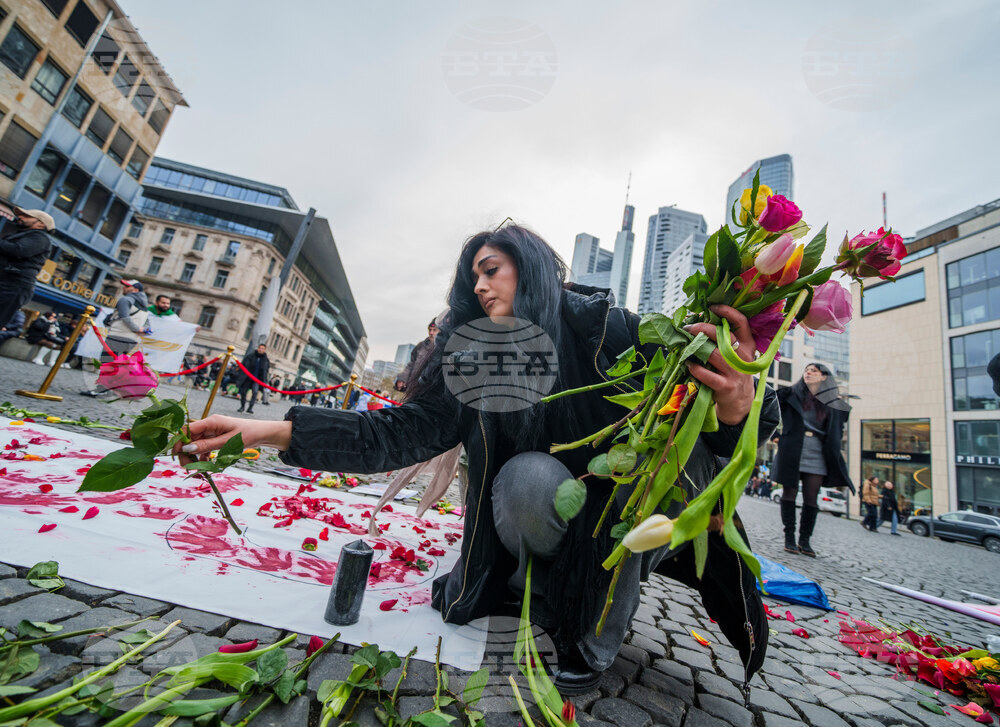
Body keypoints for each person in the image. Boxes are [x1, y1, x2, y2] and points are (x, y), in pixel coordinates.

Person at [175, 224, 776, 693]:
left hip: (630, 513)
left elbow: (738, 420)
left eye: (492, 270)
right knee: (524, 479)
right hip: (538, 502)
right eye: (474, 279)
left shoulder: (608, 328)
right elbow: (400, 433)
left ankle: (593, 636)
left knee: (635, 482)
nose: (481, 287)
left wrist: (736, 400)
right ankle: (538, 588)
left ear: (532, 268)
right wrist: (261, 432)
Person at [773, 362, 853, 557]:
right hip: (792, 447)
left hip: (818, 450)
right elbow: (767, 409)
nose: (808, 372)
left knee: (811, 498)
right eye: (807, 370)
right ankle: (789, 538)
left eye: (814, 371)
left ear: (824, 376)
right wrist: (775, 434)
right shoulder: (789, 394)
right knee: (789, 493)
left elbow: (837, 428)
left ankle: (805, 540)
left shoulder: (834, 403)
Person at [0, 209, 54, 332]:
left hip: (13, 286)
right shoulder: (23, 235)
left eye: (26, 216)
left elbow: (19, 250)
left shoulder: (40, 238)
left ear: (41, 224)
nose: (20, 217)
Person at [395, 319, 439, 392]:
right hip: (413, 386)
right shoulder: (420, 346)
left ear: (439, 331)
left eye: (434, 330)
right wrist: (402, 379)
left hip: (429, 389)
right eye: (430, 330)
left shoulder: (442, 348)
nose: (431, 332)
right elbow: (411, 364)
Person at [237, 343, 270, 414]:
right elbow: (244, 366)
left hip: (257, 380)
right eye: (260, 348)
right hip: (247, 378)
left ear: (264, 350)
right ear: (258, 348)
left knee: (255, 393)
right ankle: (242, 406)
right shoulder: (250, 356)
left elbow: (266, 370)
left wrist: (264, 380)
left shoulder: (265, 359)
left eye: (263, 348)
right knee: (243, 392)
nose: (261, 350)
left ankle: (250, 408)